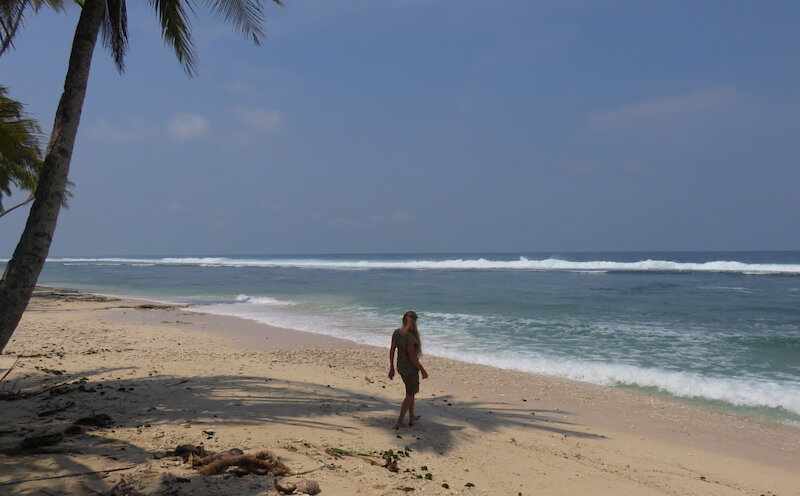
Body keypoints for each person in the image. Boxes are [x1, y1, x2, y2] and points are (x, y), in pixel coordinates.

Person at [388, 310, 428, 428]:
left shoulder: (397, 333)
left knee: (410, 391)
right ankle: (400, 421)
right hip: (410, 369)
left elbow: (392, 350)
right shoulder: (410, 337)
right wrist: (422, 370)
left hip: (401, 366)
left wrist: (391, 367)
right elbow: (412, 358)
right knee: (410, 394)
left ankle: (412, 416)